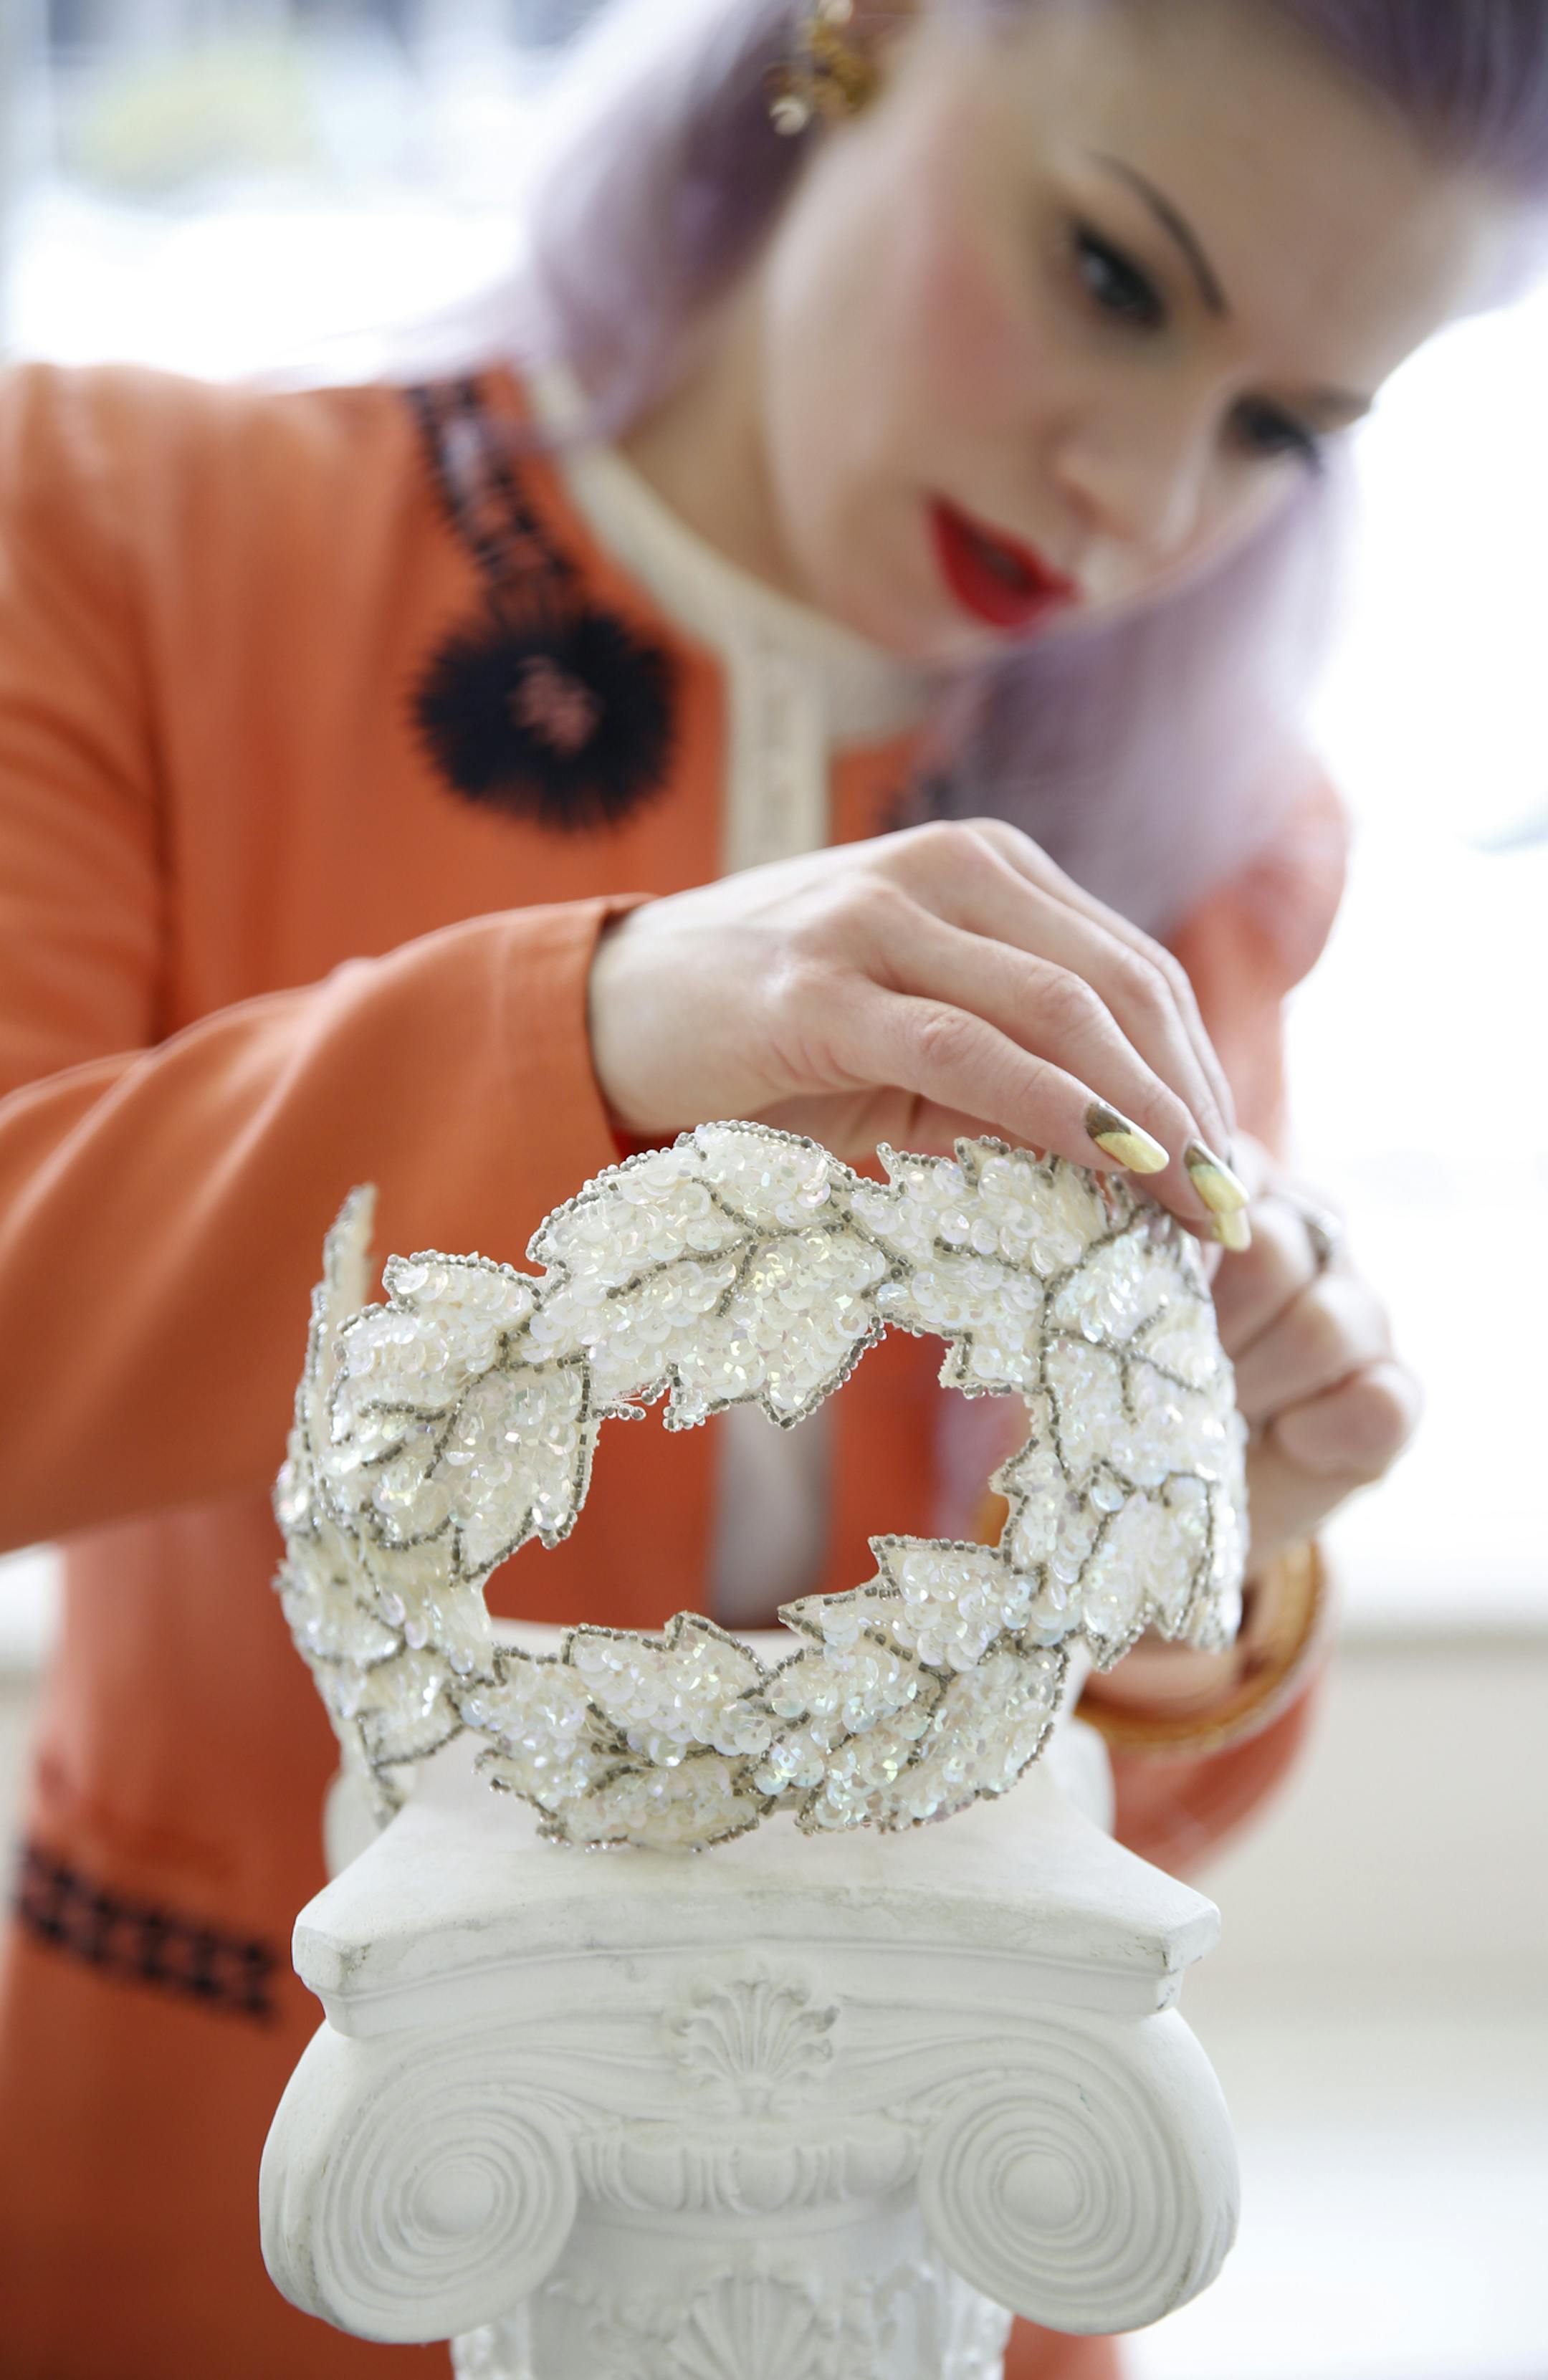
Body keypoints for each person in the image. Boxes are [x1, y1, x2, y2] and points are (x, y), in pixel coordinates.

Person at [0, 0, 1541, 2371]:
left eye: (1281, 431)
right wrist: (596, 1014)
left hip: (943, 2236)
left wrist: (1230, 1520)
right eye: (1115, 278)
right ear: (877, 29)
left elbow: (1135, 1844)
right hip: (232, 2204)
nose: (1136, 497)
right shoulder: (118, 526)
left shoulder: (1219, 830)